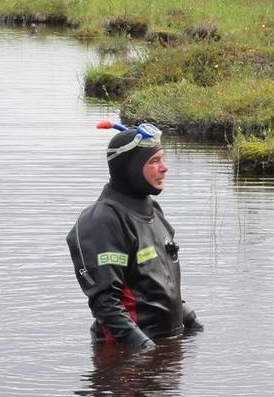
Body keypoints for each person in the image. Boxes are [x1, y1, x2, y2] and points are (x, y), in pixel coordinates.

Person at [67, 121, 202, 349]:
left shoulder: (153, 211)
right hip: (125, 360)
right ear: (129, 168)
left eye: (162, 158)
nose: (165, 167)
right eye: (154, 161)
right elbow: (106, 304)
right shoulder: (102, 221)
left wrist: (191, 321)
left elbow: (161, 281)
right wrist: (145, 351)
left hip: (164, 351)